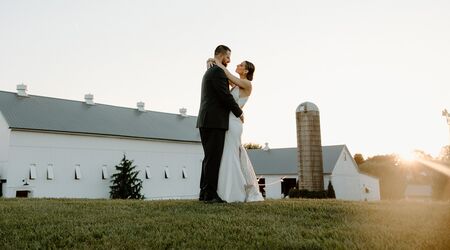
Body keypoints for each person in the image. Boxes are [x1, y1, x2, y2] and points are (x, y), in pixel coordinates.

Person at [206, 57, 264, 203]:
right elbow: (223, 78)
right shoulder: (237, 85)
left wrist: (216, 60)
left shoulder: (247, 84)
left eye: (241, 65)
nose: (237, 65)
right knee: (228, 153)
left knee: (231, 154)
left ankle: (234, 192)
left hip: (234, 123)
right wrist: (210, 64)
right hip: (229, 121)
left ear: (246, 70)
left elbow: (227, 74)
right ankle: (226, 190)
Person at [196, 45, 244, 203]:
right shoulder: (217, 71)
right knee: (214, 158)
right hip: (214, 121)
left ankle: (204, 193)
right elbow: (225, 96)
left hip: (207, 120)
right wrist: (239, 112)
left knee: (209, 158)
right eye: (228, 57)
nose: (229, 60)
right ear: (221, 55)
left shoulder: (211, 70)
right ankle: (210, 194)